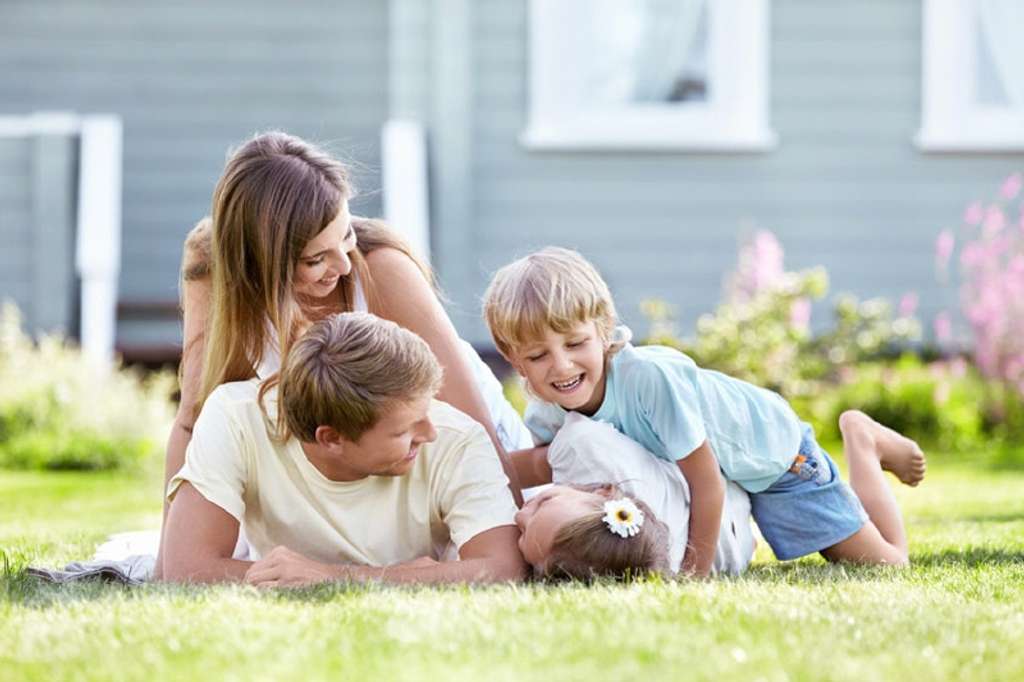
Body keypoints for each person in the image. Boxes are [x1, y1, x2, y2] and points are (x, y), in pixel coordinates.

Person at [158, 132, 529, 576]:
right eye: (316, 258)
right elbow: (192, 418)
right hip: (344, 460)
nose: (344, 265)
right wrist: (170, 553)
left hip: (447, 433)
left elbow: (468, 423)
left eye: (346, 234)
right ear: (262, 262)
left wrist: (511, 536)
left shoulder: (380, 268)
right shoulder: (211, 271)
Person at [484, 247, 927, 577]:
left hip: (773, 455)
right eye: (538, 356)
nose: (561, 366)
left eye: (575, 344)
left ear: (603, 331)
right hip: (728, 467)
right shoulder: (549, 407)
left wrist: (694, 575)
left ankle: (863, 438)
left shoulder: (647, 381)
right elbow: (534, 466)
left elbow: (706, 483)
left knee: (885, 563)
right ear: (514, 358)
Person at [162, 312, 527, 586]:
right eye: (403, 429)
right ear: (331, 438)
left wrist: (333, 576)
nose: (429, 432)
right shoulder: (236, 416)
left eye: (427, 408)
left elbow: (503, 568)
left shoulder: (458, 438)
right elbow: (187, 568)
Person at [517, 412, 757, 579]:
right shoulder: (587, 449)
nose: (520, 513)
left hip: (734, 538)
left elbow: (523, 468)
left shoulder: (581, 446)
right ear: (602, 491)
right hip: (730, 518)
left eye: (523, 534)